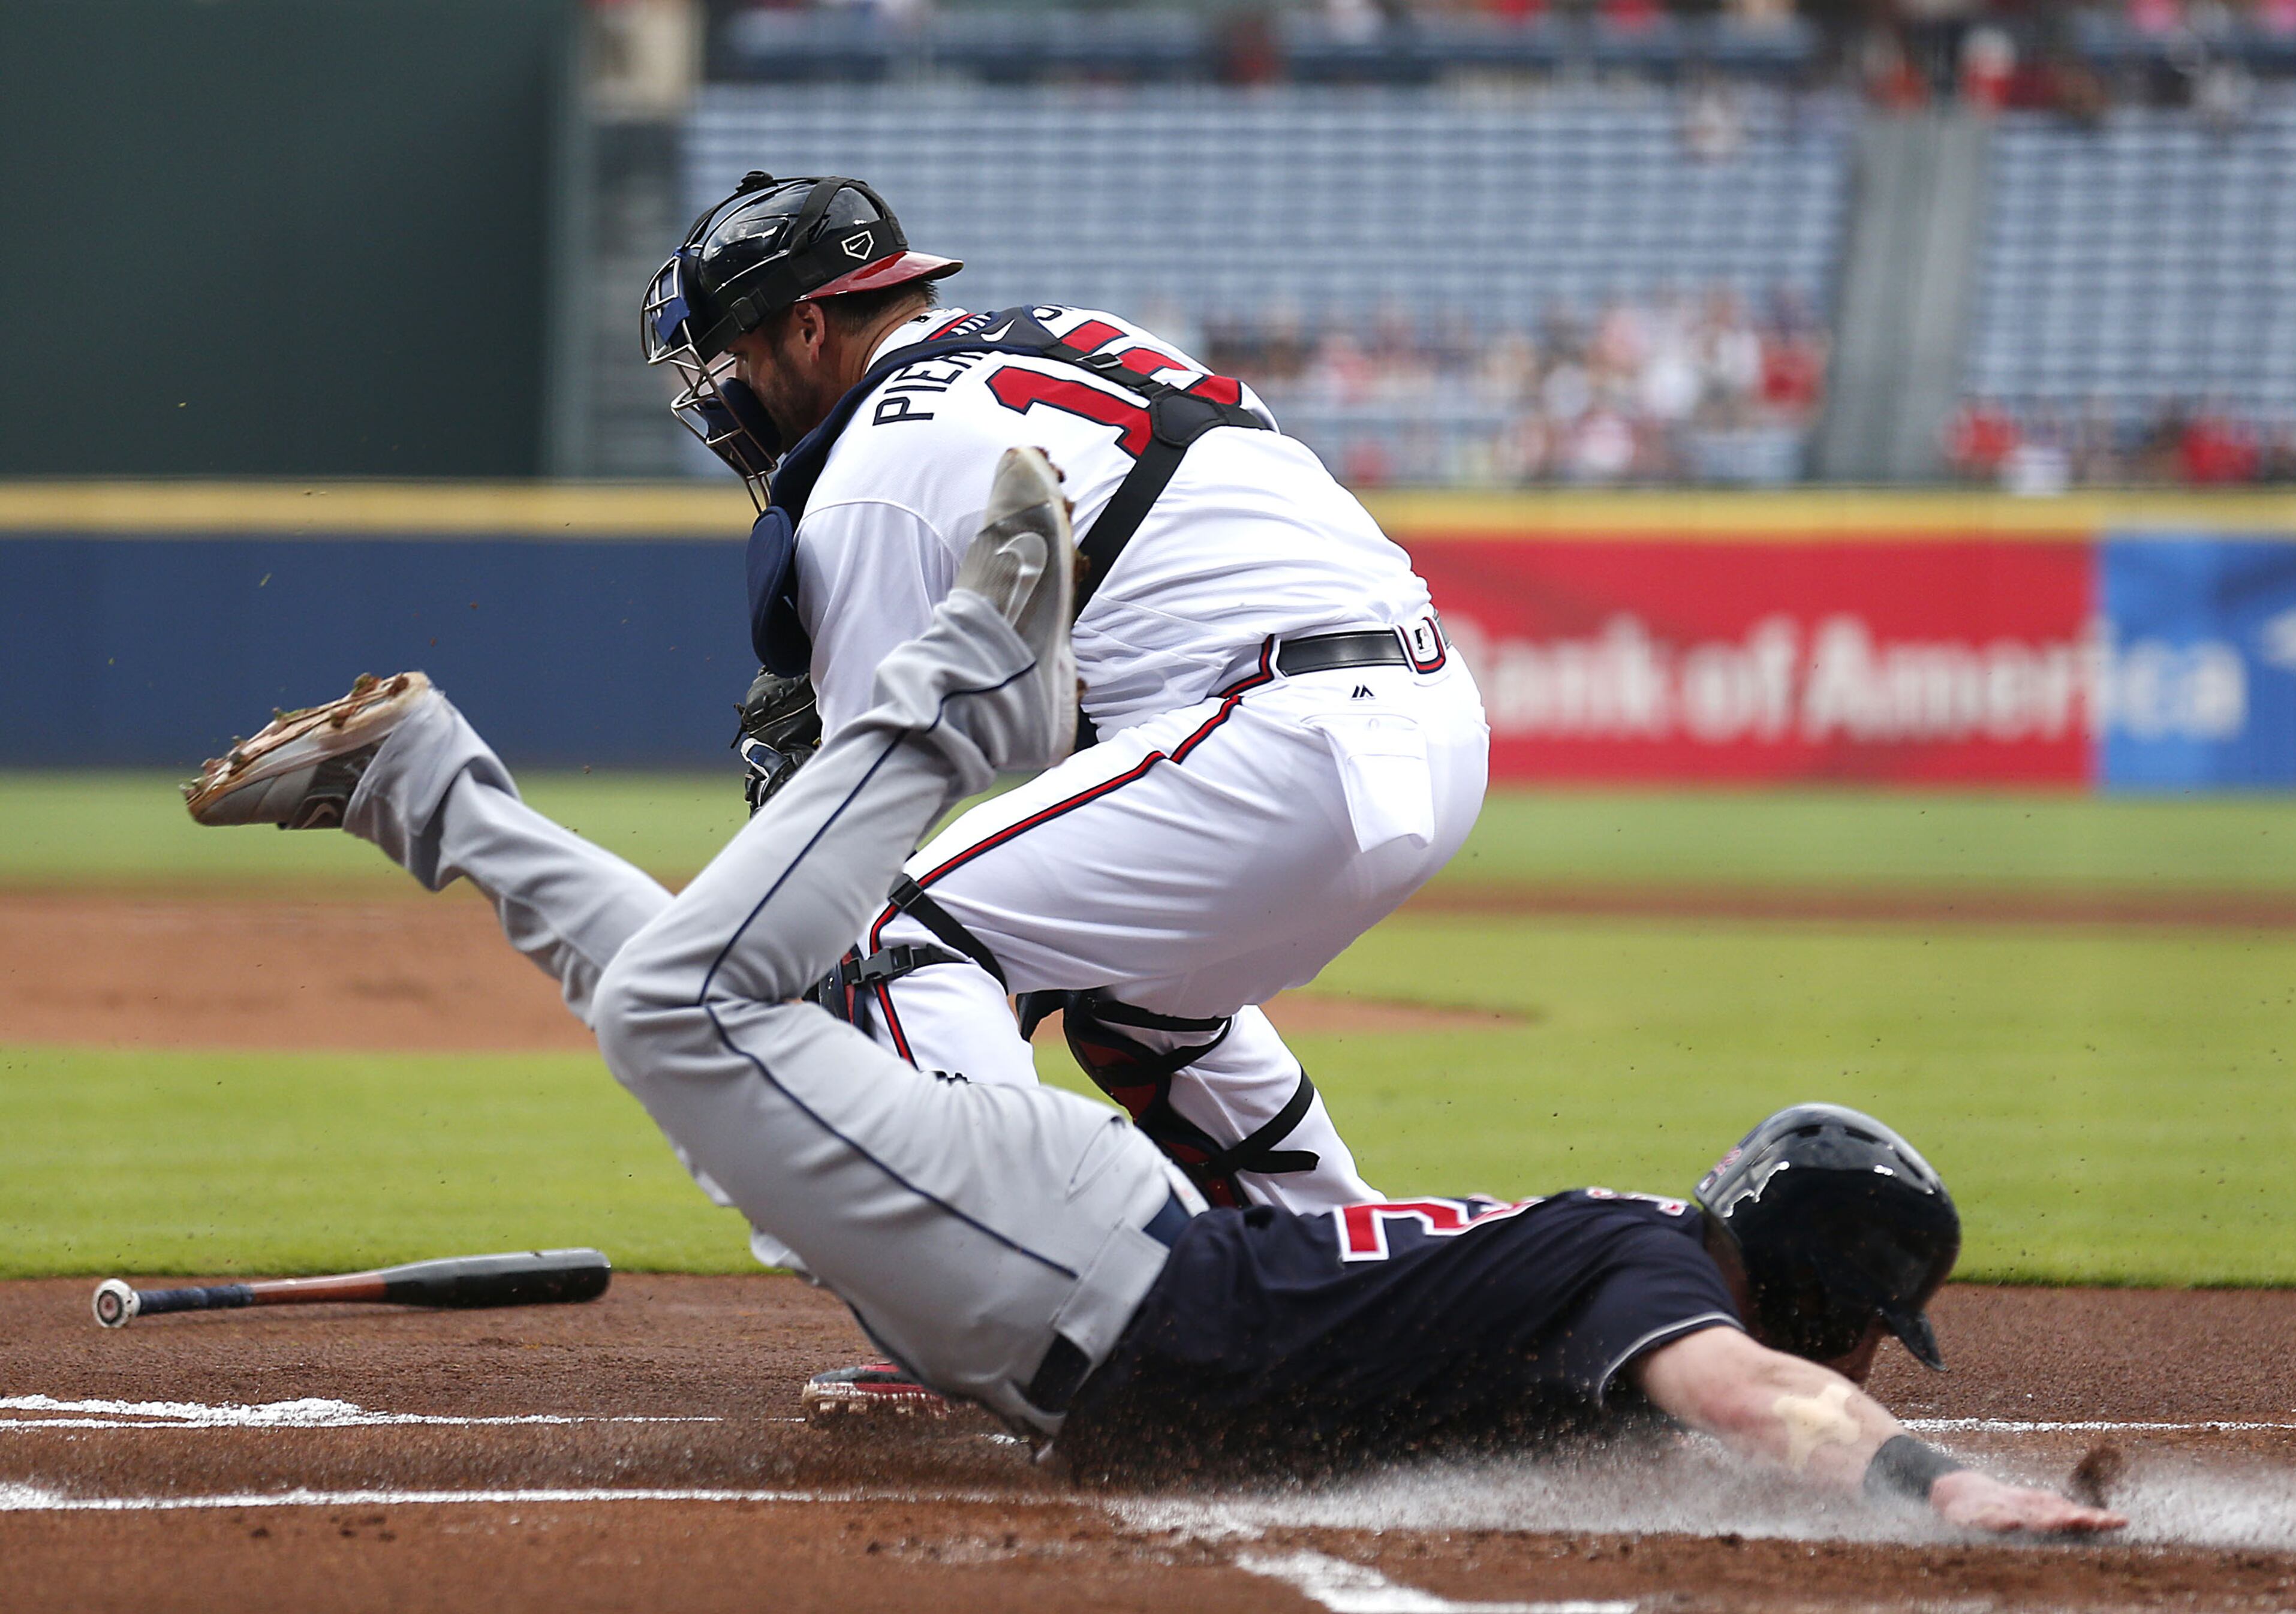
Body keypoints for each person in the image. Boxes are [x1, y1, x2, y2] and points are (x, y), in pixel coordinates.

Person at [185, 450, 2119, 1535]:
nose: (1865, 1360)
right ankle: (962, 692)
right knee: (695, 1024)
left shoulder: (1619, 1287)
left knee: (720, 1036)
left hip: (1069, 1295)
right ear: (1802, 1282)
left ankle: (416, 779)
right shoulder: (1648, 1279)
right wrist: (1948, 1487)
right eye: (1871, 1328)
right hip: (1087, 1275)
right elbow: (1758, 1394)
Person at [640, 173, 1489, 1241]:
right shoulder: (1075, 330)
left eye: (737, 355)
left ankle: (1020, 1292)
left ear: (809, 327)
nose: (726, 393)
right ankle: (1353, 1270)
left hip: (1277, 737)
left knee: (891, 928)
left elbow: (856, 814)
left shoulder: (870, 469)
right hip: (1432, 719)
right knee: (1136, 1003)